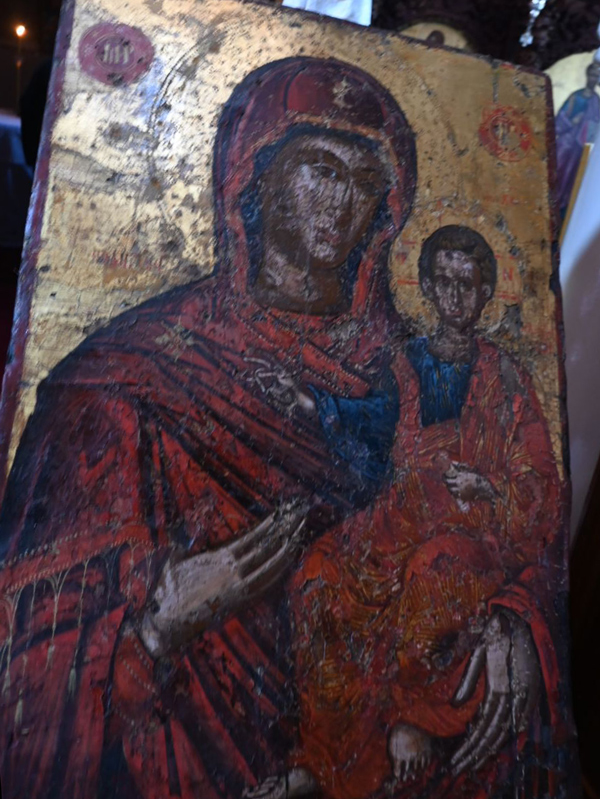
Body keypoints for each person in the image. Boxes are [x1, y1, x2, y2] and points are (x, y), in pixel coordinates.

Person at [0, 57, 417, 799]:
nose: (343, 200)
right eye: (321, 169)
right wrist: (159, 627)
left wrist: (505, 616)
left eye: (365, 182)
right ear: (253, 177)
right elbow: (30, 645)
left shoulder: (413, 376)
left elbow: (462, 536)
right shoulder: (123, 374)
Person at [248, 226, 574, 798]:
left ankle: (415, 721)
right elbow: (370, 422)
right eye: (443, 281)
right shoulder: (405, 364)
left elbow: (541, 482)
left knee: (433, 570)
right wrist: (304, 401)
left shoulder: (507, 378)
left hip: (475, 532)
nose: (454, 296)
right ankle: (323, 758)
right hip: (399, 520)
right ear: (425, 286)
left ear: (486, 292)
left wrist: (488, 487)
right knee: (318, 575)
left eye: (467, 284)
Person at [555, 60, 600, 220]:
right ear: (587, 75)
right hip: (565, 144)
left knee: (572, 182)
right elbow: (559, 120)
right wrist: (572, 122)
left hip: (581, 150)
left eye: (597, 76)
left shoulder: (596, 102)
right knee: (557, 174)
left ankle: (561, 215)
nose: (593, 78)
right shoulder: (576, 96)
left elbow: (596, 126)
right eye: (592, 75)